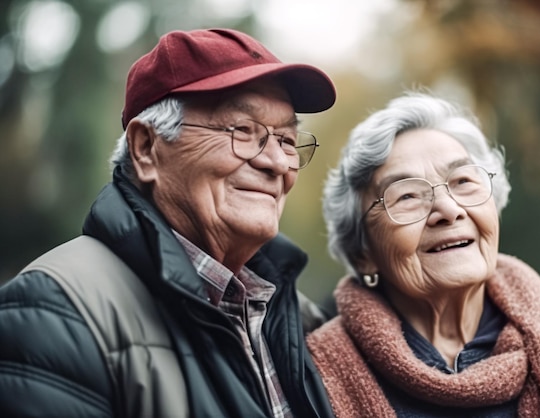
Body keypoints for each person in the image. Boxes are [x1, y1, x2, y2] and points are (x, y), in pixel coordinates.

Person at [0, 28, 337, 417]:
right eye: (243, 131)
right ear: (146, 148)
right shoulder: (54, 313)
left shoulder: (295, 316)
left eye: (287, 141)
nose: (277, 163)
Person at [306, 90, 540, 417]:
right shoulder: (316, 370)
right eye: (406, 196)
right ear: (363, 253)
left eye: (462, 181)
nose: (448, 209)